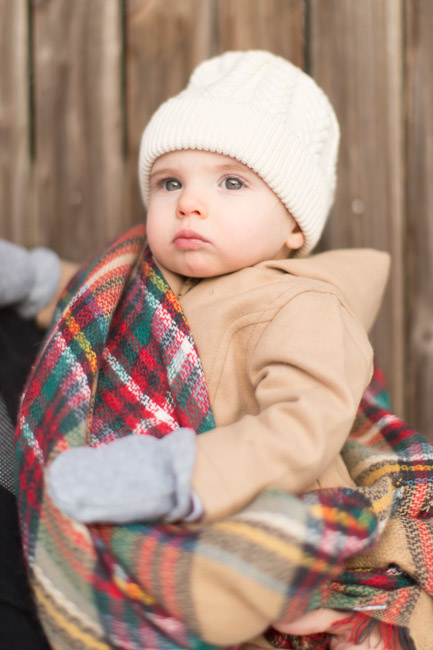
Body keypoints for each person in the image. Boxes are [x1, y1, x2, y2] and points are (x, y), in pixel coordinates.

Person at [8, 51, 402, 649]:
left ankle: (273, 589)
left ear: (295, 225)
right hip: (158, 483)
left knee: (259, 536)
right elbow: (93, 306)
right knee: (141, 540)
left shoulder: (303, 306)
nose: (189, 202)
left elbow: (301, 430)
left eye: (231, 182)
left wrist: (173, 474)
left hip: (251, 489)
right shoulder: (144, 278)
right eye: (171, 182)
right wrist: (32, 278)